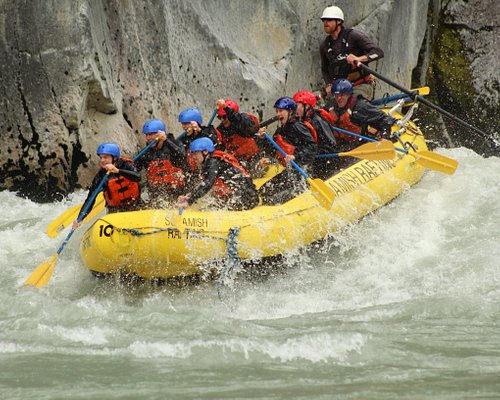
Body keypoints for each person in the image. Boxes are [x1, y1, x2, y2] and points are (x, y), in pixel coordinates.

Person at [257, 97, 318, 205]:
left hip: (302, 171)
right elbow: (273, 151)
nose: (278, 114)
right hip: (291, 171)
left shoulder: (298, 127)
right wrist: (263, 140)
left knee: (279, 196)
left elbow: (312, 147)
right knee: (264, 191)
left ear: (290, 112)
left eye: (281, 111)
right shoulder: (280, 130)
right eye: (277, 111)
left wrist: (296, 157)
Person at [319, 5, 384, 101]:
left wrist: (359, 59)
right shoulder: (325, 45)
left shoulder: (353, 36)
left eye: (329, 20)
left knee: (351, 104)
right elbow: (325, 69)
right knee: (324, 107)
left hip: (360, 85)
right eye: (324, 20)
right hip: (339, 89)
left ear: (339, 21)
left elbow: (378, 52)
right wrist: (328, 84)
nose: (325, 23)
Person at [177, 137, 259, 211]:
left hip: (247, 199)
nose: (193, 157)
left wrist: (190, 201)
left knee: (209, 209)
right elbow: (204, 186)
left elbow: (208, 183)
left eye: (195, 153)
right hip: (240, 197)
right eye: (193, 154)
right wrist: (189, 196)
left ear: (205, 152)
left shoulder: (214, 162)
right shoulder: (208, 163)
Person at [73, 142, 141, 229]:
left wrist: (118, 171)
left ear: (115, 158)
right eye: (101, 157)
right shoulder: (100, 176)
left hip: (135, 207)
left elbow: (138, 177)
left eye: (105, 157)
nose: (102, 160)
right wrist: (80, 218)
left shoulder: (126, 165)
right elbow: (90, 199)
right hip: (115, 212)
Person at [329, 79, 396, 151]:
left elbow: (385, 119)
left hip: (358, 145)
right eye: (336, 95)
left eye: (342, 95)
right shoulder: (330, 106)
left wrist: (385, 138)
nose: (339, 98)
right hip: (339, 145)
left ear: (349, 95)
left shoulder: (360, 106)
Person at [135, 119, 189, 205]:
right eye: (147, 135)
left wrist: (166, 141)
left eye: (151, 134)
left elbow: (182, 156)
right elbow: (135, 170)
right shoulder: (146, 153)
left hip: (179, 192)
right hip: (156, 196)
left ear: (161, 133)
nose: (148, 138)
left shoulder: (175, 144)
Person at [293, 90, 339, 179]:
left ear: (307, 107)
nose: (294, 109)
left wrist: (308, 153)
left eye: (297, 105)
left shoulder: (318, 121)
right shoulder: (300, 121)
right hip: (310, 159)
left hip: (324, 163)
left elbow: (330, 147)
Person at [215, 98, 261, 174]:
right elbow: (218, 149)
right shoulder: (221, 130)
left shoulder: (244, 120)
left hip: (257, 157)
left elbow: (240, 122)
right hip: (240, 164)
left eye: (224, 117)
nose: (222, 120)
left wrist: (226, 108)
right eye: (220, 117)